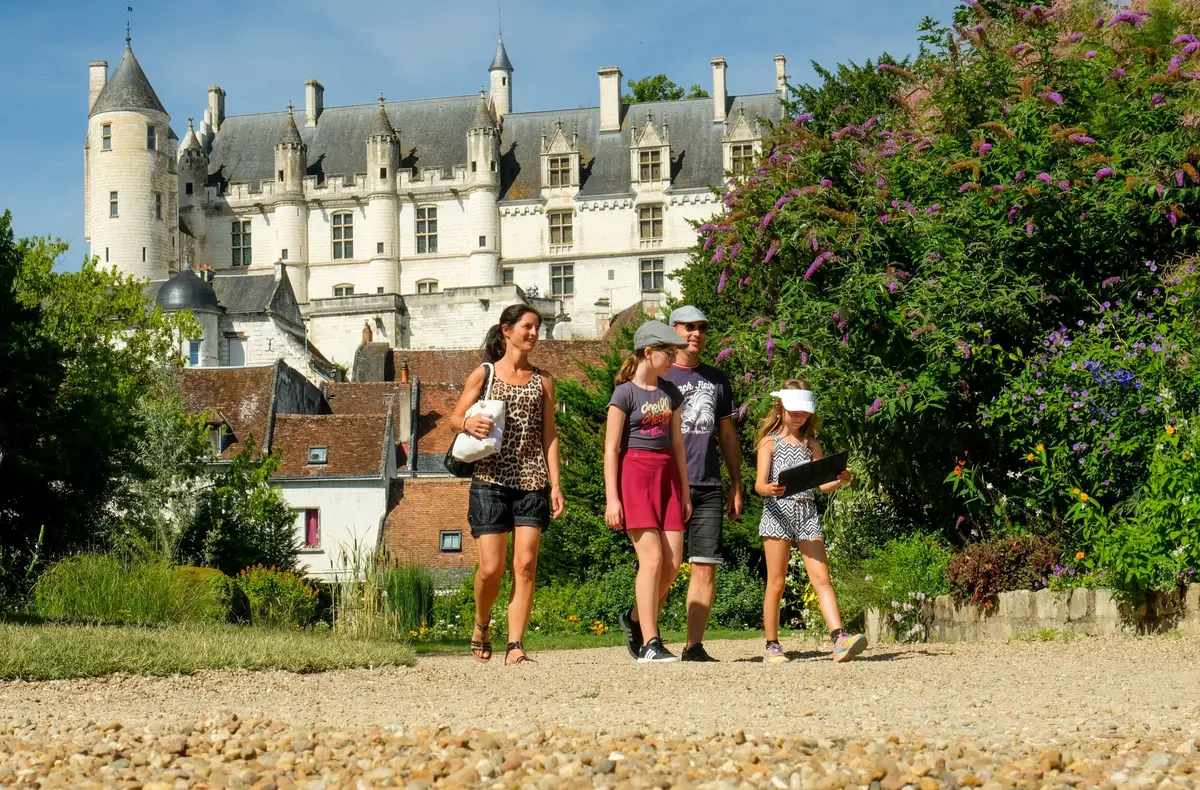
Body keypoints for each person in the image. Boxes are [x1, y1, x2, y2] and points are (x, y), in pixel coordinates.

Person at [449, 304, 565, 665]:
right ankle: (481, 623)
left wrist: (556, 484)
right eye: (527, 326)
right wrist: (467, 424)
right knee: (491, 568)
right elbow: (454, 418)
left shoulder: (543, 380)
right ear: (507, 330)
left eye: (537, 327)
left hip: (532, 480)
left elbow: (549, 434)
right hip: (490, 480)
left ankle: (515, 645)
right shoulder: (484, 373)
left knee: (526, 565)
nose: (533, 333)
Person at [650, 305, 742, 663]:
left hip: (708, 483)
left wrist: (736, 483)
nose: (696, 334)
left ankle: (694, 645)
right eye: (689, 327)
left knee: (705, 564)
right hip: (667, 482)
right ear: (673, 329)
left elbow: (727, 435)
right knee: (664, 565)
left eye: (702, 328)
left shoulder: (717, 379)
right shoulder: (658, 374)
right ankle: (646, 634)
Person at [754, 380, 866, 664]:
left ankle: (839, 639)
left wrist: (839, 479)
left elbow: (823, 485)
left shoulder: (812, 444)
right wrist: (770, 489)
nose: (799, 417)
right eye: (794, 411)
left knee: (822, 577)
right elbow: (759, 484)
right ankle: (772, 645)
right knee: (776, 582)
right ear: (780, 407)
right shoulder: (769, 442)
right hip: (777, 512)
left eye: (804, 412)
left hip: (806, 513)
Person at [605, 320, 692, 663]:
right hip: (635, 477)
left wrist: (684, 491)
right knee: (652, 560)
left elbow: (678, 445)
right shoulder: (624, 394)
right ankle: (650, 642)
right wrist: (612, 499)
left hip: (667, 478)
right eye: (668, 352)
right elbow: (611, 449)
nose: (673, 358)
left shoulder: (671, 393)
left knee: (672, 566)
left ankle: (634, 618)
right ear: (647, 352)